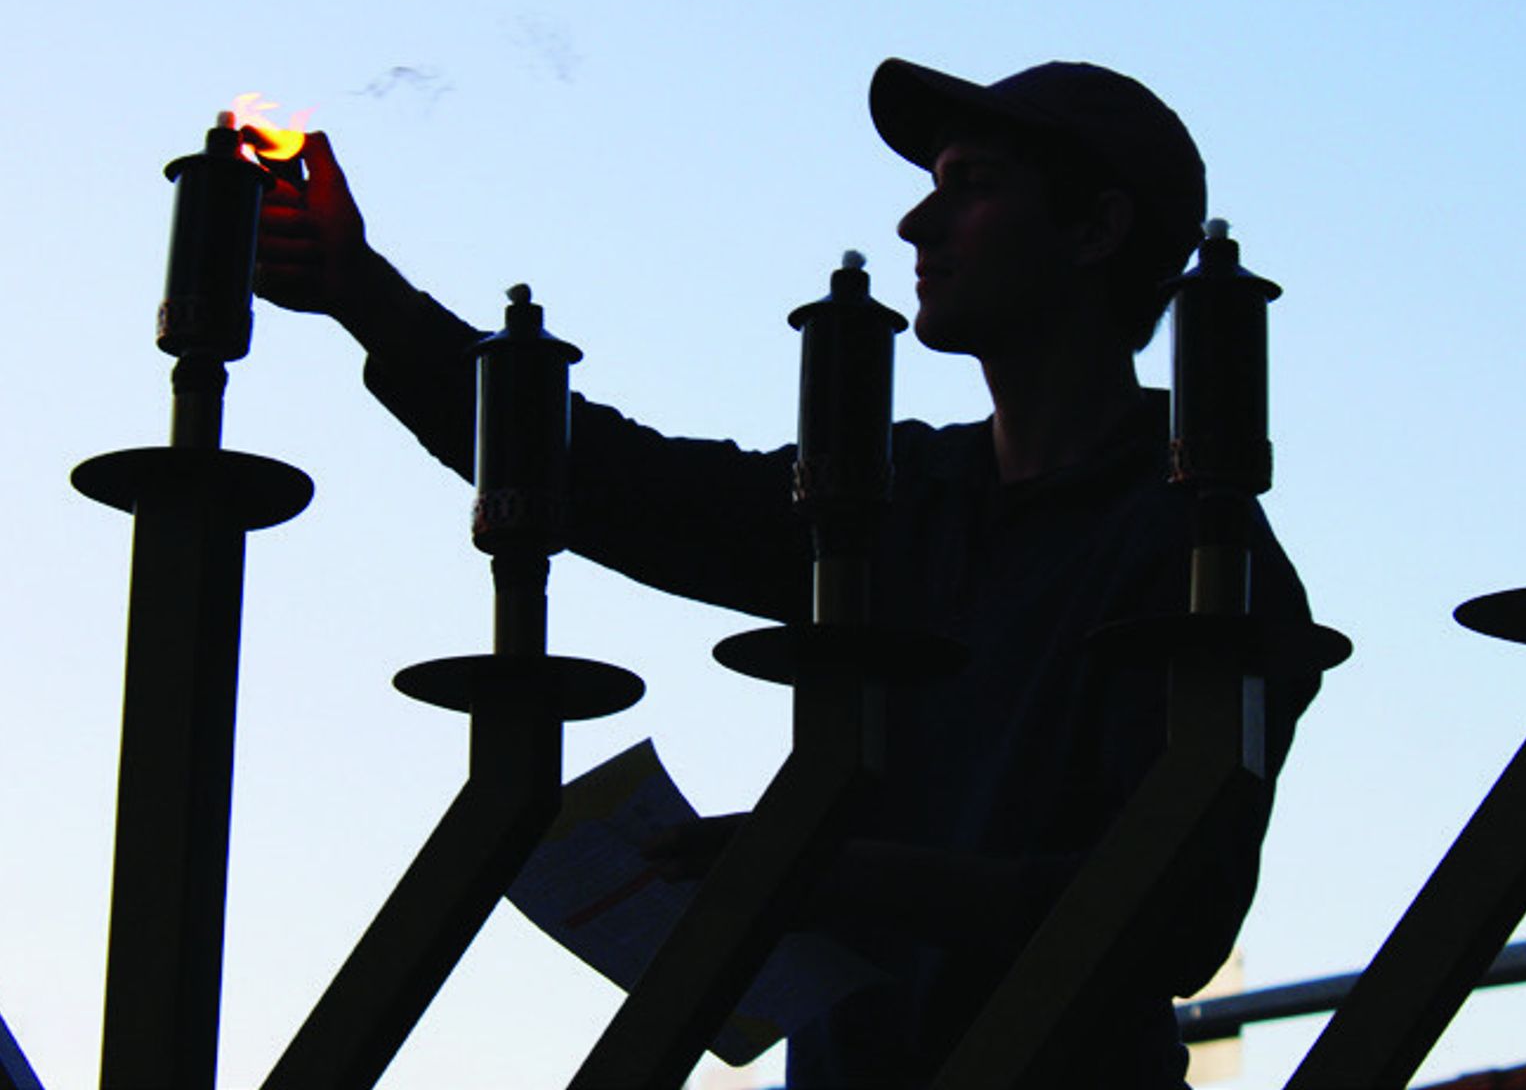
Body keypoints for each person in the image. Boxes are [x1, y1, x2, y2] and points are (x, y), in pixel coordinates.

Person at [257, 58, 1321, 1087]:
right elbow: (621, 485)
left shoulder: (1200, 565)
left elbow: (1174, 910)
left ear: (1095, 228)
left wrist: (812, 865)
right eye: (930, 187)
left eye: (975, 187)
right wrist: (365, 293)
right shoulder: (887, 499)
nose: (918, 222)